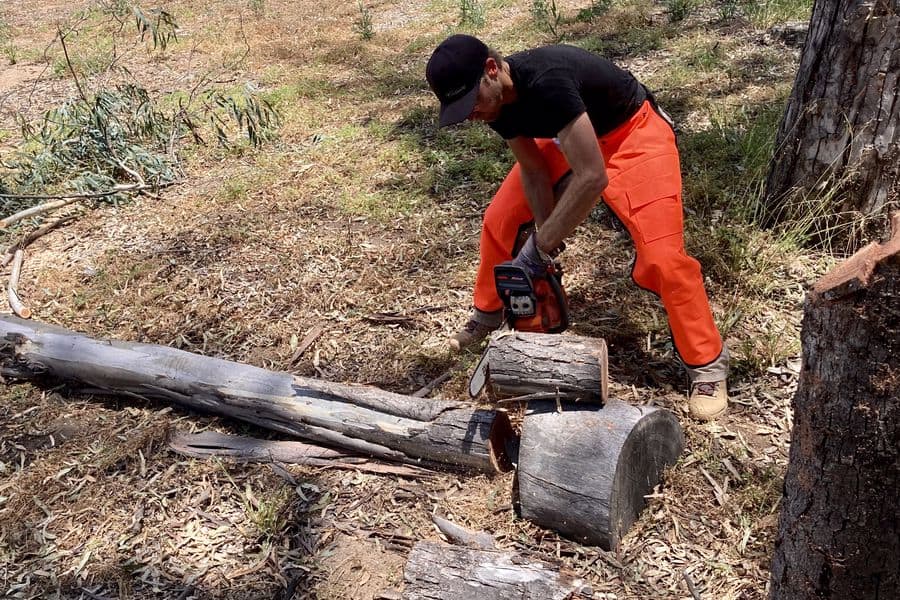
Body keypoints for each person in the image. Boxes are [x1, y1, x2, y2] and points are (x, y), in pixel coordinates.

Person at [425, 34, 729, 420]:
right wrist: (544, 238)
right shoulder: (495, 104)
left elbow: (591, 177)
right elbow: (534, 171)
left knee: (663, 258)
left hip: (633, 134)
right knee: (498, 220)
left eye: (471, 102)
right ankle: (487, 313)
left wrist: (537, 249)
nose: (472, 114)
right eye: (462, 109)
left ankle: (707, 365)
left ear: (491, 70)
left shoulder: (547, 82)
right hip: (571, 136)